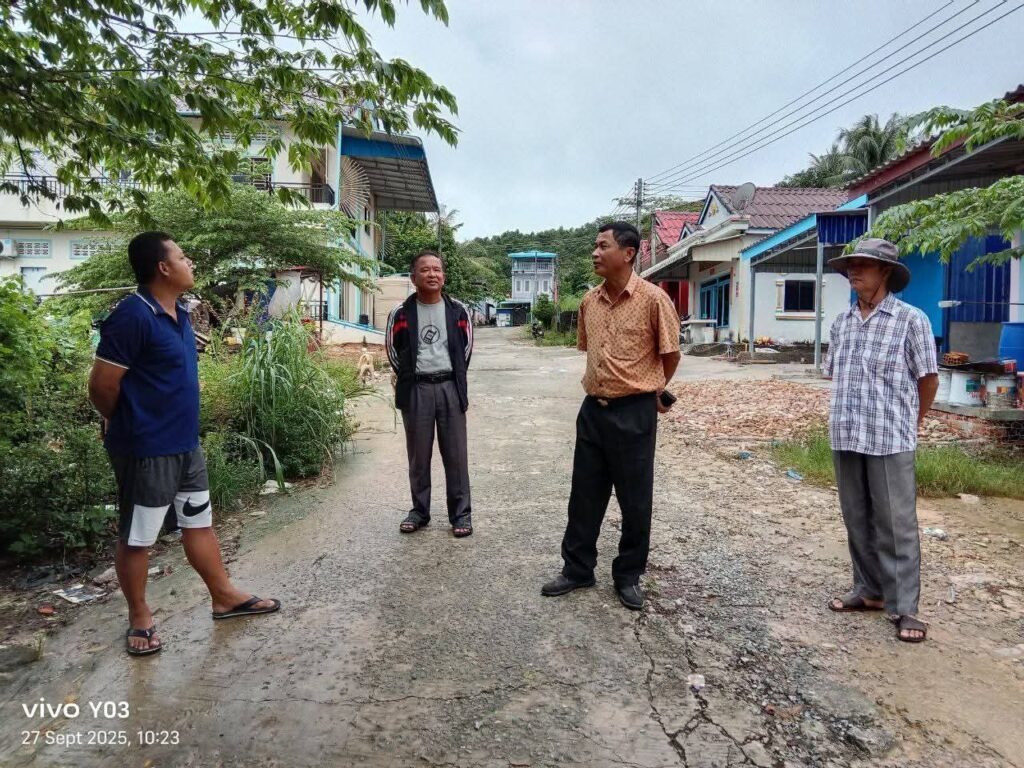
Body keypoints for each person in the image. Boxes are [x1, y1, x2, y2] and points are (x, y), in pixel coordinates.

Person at [88, 232, 281, 656]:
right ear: (163, 267)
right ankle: (140, 617)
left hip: (184, 444)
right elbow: (102, 386)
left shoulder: (180, 313)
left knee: (199, 521)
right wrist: (128, 421)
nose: (188, 261)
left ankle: (224, 596)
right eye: (181, 256)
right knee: (139, 536)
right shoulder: (132, 316)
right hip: (146, 448)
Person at [541, 222, 681, 610]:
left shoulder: (654, 300)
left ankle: (628, 575)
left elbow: (671, 355)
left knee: (635, 499)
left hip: (634, 411)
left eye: (603, 246)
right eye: (595, 246)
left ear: (629, 253)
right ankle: (577, 569)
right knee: (584, 495)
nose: (595, 252)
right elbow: (589, 350)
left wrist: (654, 389)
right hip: (593, 410)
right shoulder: (590, 301)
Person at [823, 238, 939, 643]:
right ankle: (869, 590)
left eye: (864, 265)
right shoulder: (842, 323)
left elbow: (928, 378)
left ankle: (905, 607)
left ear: (885, 272)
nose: (853, 272)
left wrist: (913, 421)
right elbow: (835, 374)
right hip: (846, 432)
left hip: (890, 435)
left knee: (895, 523)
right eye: (850, 266)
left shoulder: (911, 320)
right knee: (856, 516)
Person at [385, 250, 474, 537]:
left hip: (450, 388)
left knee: (456, 455)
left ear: (443, 276)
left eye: (437, 269)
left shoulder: (458, 310)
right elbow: (392, 350)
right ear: (413, 278)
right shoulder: (400, 312)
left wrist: (452, 376)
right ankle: (419, 511)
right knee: (418, 456)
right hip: (417, 390)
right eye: (425, 270)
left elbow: (466, 349)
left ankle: (461, 515)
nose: (432, 274)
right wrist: (410, 376)